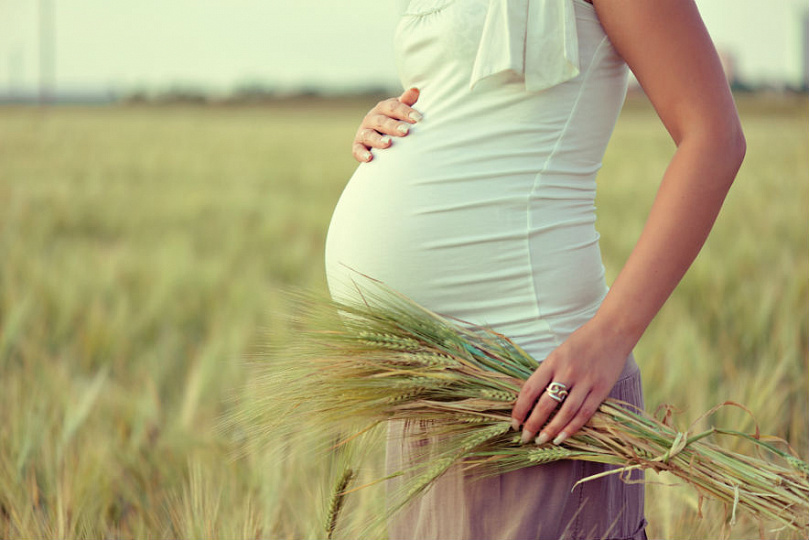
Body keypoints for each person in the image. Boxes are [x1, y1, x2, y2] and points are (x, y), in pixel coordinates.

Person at [325, 0, 745, 538]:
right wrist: (397, 122)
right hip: (429, 387)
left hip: (538, 390)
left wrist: (610, 336)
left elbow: (715, 137)